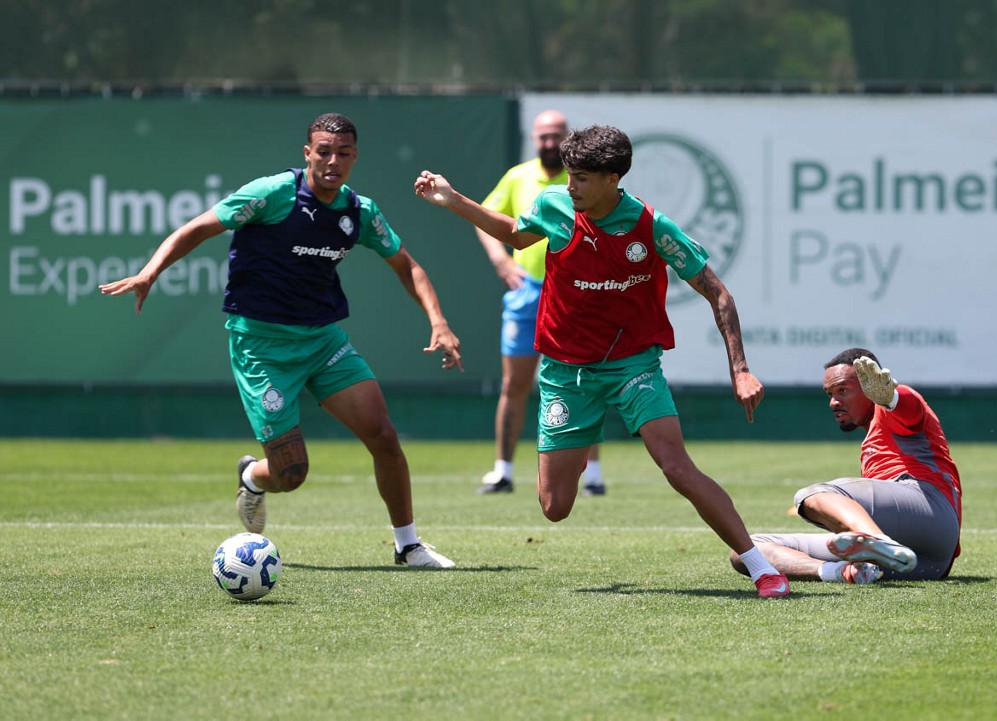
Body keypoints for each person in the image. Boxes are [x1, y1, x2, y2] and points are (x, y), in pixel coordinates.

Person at [413, 124, 792, 598]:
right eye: (570, 176)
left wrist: (740, 369)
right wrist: (452, 199)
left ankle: (762, 568)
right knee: (554, 507)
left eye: (582, 179)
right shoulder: (555, 206)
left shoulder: (651, 226)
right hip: (565, 374)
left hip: (633, 366)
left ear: (613, 179)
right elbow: (512, 232)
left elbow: (718, 293)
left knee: (675, 464)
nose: (570, 187)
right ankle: (579, 434)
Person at [100, 112, 462, 569]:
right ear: (307, 153)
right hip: (262, 347)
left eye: (343, 153)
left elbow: (406, 265)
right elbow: (199, 227)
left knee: (383, 435)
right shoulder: (271, 194)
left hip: (323, 343)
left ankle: (408, 546)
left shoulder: (358, 211)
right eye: (324, 151)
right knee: (291, 475)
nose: (333, 161)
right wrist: (150, 272)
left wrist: (439, 322)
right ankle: (253, 476)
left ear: (354, 157)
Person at [730, 348, 962, 584]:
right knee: (747, 552)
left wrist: (889, 398)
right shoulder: (871, 438)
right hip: (926, 563)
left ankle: (875, 542)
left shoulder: (892, 405)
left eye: (842, 390)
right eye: (829, 394)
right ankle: (842, 572)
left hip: (932, 510)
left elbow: (908, 406)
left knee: (812, 495)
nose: (833, 402)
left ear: (871, 385)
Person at [472, 109, 604, 496]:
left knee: (586, 380)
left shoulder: (581, 181)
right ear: (534, 138)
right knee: (515, 382)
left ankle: (592, 473)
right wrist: (500, 261)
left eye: (556, 136)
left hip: (576, 292)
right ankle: (503, 470)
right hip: (528, 291)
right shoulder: (519, 176)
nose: (549, 143)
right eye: (543, 136)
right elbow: (488, 219)